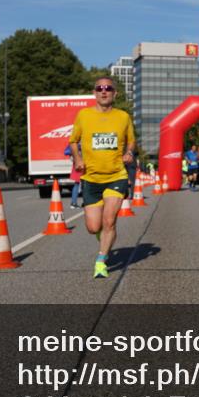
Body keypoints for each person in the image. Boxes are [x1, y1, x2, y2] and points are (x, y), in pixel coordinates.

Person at [69, 76, 136, 279]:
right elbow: (73, 141)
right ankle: (104, 236)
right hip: (91, 178)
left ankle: (101, 260)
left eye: (108, 88)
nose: (103, 91)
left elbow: (131, 141)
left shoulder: (123, 116)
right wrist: (78, 158)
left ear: (115, 93)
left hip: (116, 175)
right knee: (93, 227)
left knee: (109, 221)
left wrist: (129, 153)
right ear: (94, 93)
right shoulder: (84, 115)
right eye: (99, 88)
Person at [66, 145, 82, 209]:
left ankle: (74, 203)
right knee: (82, 184)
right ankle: (74, 203)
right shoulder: (80, 143)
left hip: (77, 164)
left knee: (77, 184)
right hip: (81, 164)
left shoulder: (74, 143)